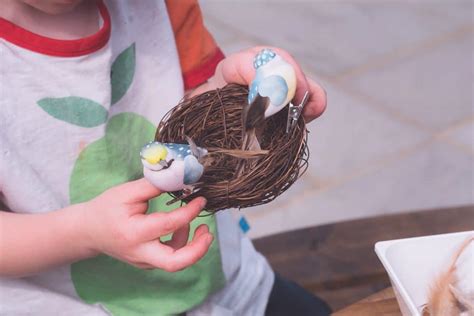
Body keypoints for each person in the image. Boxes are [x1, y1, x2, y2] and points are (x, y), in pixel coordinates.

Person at [0, 0, 329, 315]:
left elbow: (192, 121)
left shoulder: (160, 6)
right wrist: (84, 231)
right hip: (67, 303)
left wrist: (227, 87)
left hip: (221, 282)